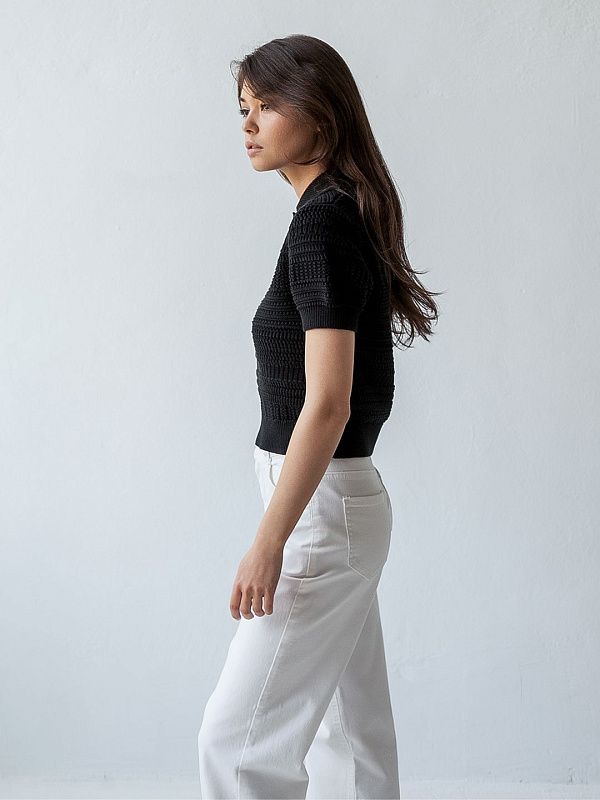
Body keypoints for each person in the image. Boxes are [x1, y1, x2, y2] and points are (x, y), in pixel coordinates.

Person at [197, 34, 440, 800]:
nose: (248, 123)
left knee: (236, 747)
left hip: (318, 513)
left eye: (267, 105)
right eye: (243, 107)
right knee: (352, 735)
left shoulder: (324, 223)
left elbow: (329, 402)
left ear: (322, 113)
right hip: (337, 505)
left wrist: (268, 542)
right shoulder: (336, 213)